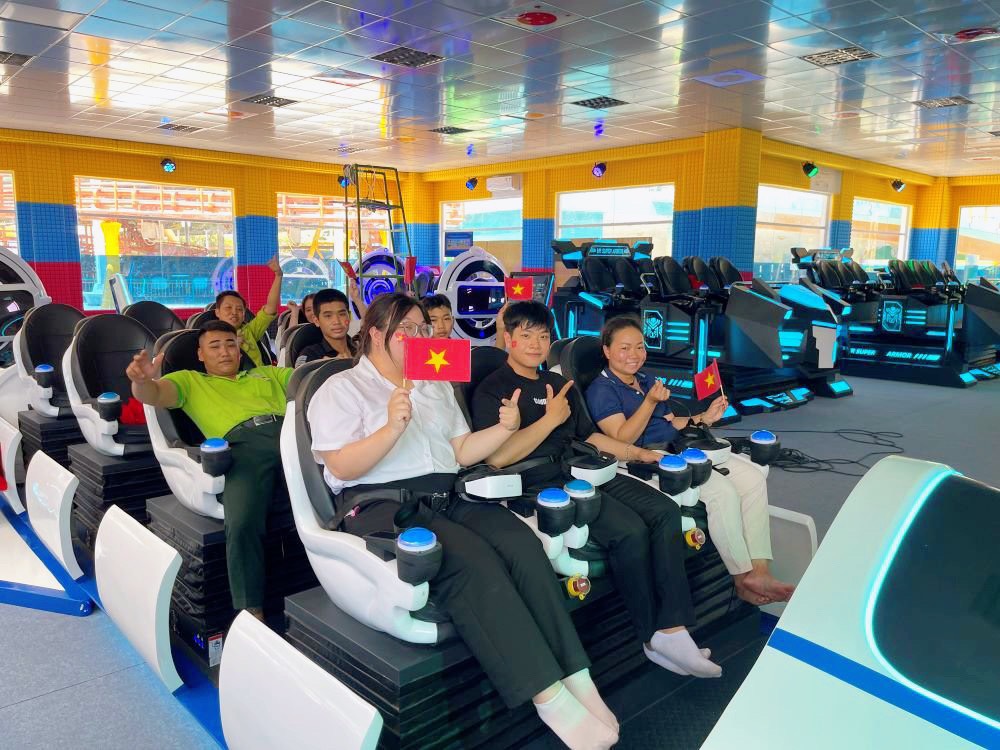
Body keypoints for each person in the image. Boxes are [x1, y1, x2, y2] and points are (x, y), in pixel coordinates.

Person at [308, 293, 618, 750]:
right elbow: (340, 466)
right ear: (375, 333)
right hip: (382, 503)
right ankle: (548, 697)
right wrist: (391, 428)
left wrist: (505, 429)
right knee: (473, 562)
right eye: (405, 329)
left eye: (421, 328)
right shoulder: (341, 389)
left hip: (447, 493)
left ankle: (577, 675)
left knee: (523, 546)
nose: (418, 336)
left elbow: (461, 451)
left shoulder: (432, 385)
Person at [472, 301, 722, 679]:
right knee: (629, 531)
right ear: (508, 339)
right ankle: (652, 635)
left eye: (543, 336)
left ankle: (672, 628)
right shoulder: (492, 388)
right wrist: (547, 421)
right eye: (526, 336)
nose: (537, 345)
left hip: (580, 466)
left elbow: (588, 436)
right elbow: (498, 458)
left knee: (665, 512)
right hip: (535, 479)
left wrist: (637, 453)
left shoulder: (559, 384)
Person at [586, 316, 795, 606]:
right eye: (624, 348)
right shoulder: (602, 389)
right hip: (646, 457)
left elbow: (672, 421)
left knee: (752, 478)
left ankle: (760, 570)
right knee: (722, 491)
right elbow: (622, 438)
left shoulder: (646, 380)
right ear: (607, 351)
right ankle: (743, 578)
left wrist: (703, 417)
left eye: (639, 347)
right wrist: (649, 402)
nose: (634, 354)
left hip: (679, 446)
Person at [125, 320, 292, 620]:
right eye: (214, 346)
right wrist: (142, 382)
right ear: (200, 354)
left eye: (230, 344)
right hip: (243, 445)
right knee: (242, 519)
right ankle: (251, 609)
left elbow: (307, 381)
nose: (224, 352)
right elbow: (154, 394)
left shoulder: (266, 373)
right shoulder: (190, 380)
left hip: (292, 434)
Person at [215, 255, 284, 367]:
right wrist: (233, 346)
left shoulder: (250, 331)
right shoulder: (210, 337)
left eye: (239, 309)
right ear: (217, 312)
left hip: (261, 376)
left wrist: (278, 275)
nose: (234, 312)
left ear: (244, 315)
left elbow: (271, 307)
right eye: (228, 308)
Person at [295, 288, 357, 365]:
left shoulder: (361, 349)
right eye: (328, 316)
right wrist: (326, 368)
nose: (337, 322)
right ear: (316, 321)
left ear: (349, 316)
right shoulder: (310, 355)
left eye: (342, 314)